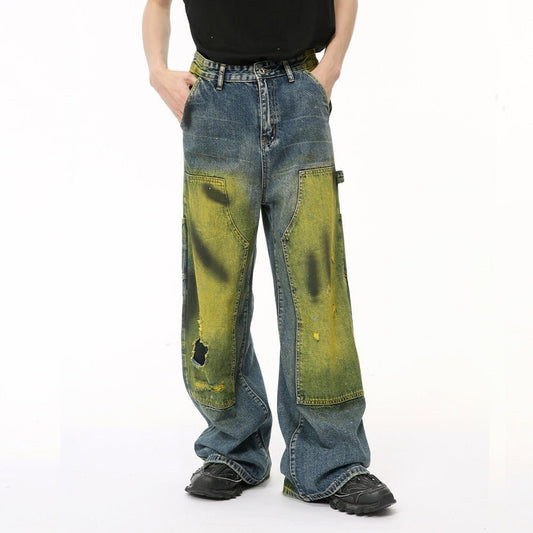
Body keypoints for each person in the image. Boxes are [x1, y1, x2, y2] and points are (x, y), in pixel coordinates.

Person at [142, 0, 396, 515]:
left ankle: (330, 461)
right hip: (214, 99)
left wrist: (332, 65)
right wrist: (157, 72)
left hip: (299, 90)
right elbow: (158, 3)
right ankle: (232, 447)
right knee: (215, 292)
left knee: (317, 285)